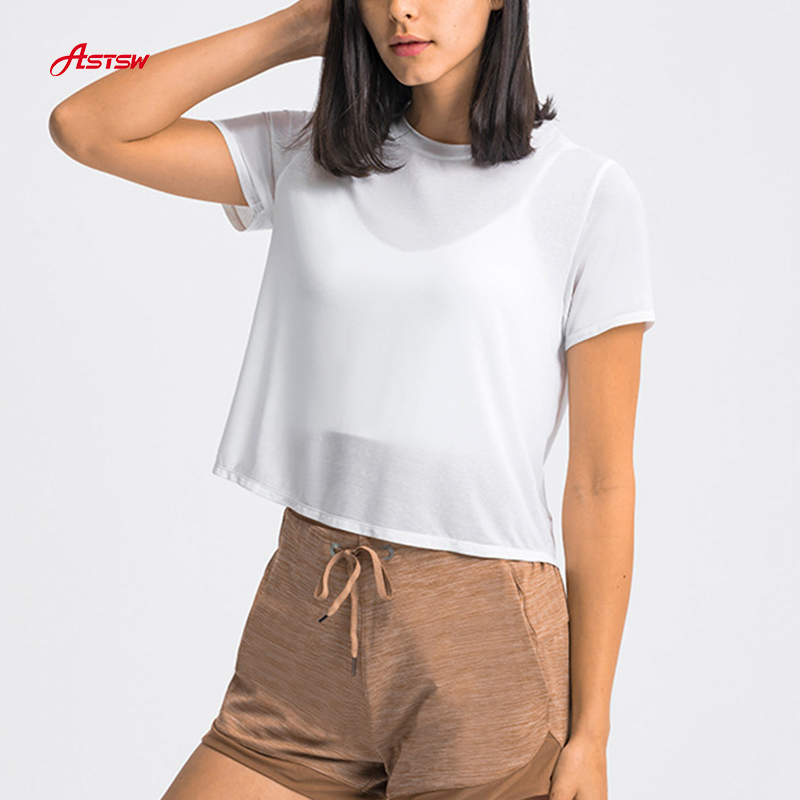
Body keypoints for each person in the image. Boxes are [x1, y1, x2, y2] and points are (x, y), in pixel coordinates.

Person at [49, 0, 656, 798]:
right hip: (309, 614)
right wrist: (299, 29)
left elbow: (601, 482)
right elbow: (87, 126)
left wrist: (593, 732)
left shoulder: (583, 193)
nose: (402, 7)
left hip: (482, 644)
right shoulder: (308, 155)